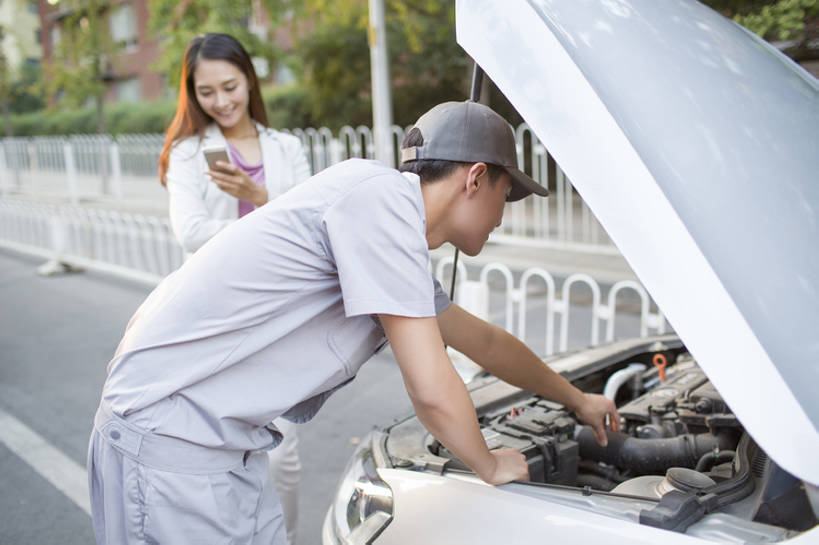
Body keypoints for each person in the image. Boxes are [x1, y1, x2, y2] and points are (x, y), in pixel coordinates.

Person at [88, 100, 619, 544]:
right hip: (169, 442)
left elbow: (485, 342)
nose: (506, 212)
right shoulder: (380, 201)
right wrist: (489, 463)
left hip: (214, 445)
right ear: (476, 178)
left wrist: (578, 399)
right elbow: (431, 389)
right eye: (508, 193)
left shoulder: (385, 229)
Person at [157, 33, 310, 544]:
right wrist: (269, 218)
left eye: (230, 86)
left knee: (283, 454)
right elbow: (191, 232)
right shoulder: (186, 152)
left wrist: (262, 197)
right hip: (214, 318)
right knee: (213, 452)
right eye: (206, 92)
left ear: (249, 79)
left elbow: (311, 223)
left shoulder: (286, 147)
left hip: (279, 316)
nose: (221, 102)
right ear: (191, 93)